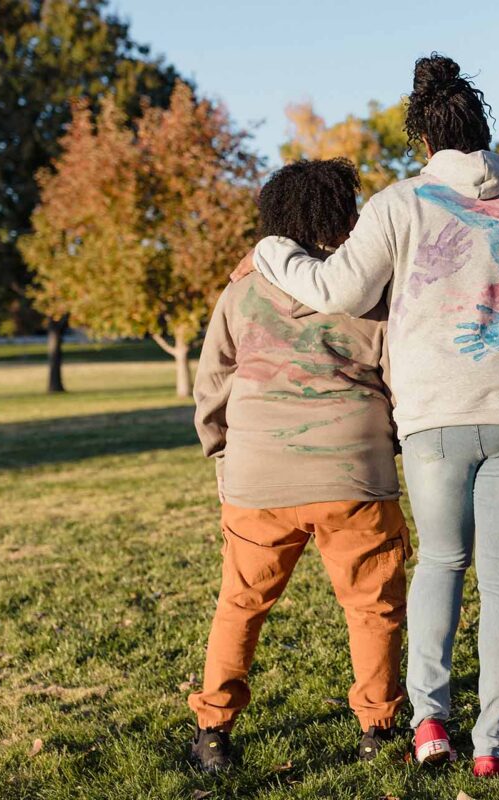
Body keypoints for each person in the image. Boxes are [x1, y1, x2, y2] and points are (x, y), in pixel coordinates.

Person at [231, 54, 499, 778]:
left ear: (423, 142)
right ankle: (495, 746)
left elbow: (335, 289)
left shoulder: (401, 204)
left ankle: (429, 725)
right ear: (488, 134)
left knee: (442, 565)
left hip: (435, 412)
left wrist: (272, 247)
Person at [187, 158, 408, 772]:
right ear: (342, 216)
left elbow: (213, 384)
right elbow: (398, 379)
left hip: (258, 477)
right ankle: (378, 727)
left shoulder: (241, 290)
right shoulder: (370, 293)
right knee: (372, 606)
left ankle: (212, 729)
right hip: (353, 472)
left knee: (241, 603)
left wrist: (222, 454)